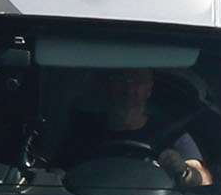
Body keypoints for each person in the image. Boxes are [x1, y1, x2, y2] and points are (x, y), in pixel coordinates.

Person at [67, 67, 211, 187]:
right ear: (108, 85)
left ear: (149, 89)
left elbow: (204, 180)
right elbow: (57, 175)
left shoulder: (173, 134)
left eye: (138, 82)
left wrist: (183, 170)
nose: (129, 89)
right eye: (121, 80)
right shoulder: (85, 131)